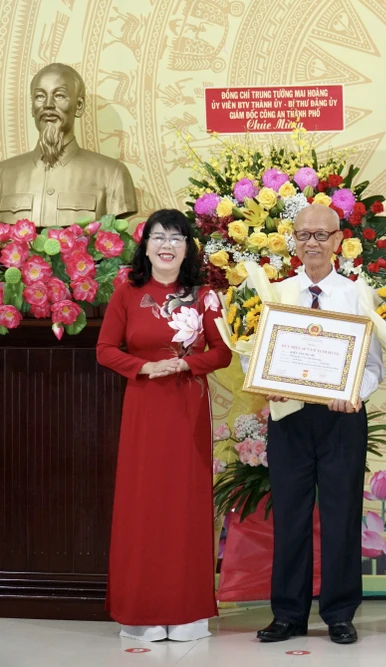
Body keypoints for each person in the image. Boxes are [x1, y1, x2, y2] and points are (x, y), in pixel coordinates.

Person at [96, 209, 232, 641]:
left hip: (187, 408)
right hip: (144, 407)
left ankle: (187, 611)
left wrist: (183, 364)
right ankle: (141, 612)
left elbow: (222, 352)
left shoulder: (205, 295)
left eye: (176, 237)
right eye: (158, 236)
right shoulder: (127, 292)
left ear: (188, 247)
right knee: (143, 503)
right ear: (146, 245)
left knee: (185, 505)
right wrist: (145, 368)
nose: (167, 245)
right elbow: (105, 350)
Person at [255, 204, 385, 645]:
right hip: (288, 416)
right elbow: (254, 349)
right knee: (290, 515)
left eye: (321, 235)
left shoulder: (358, 294)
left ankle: (340, 612)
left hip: (341, 418)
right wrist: (266, 380)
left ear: (338, 241)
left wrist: (355, 392)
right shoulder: (275, 292)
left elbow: (374, 364)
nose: (312, 243)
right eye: (303, 235)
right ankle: (288, 613)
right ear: (293, 240)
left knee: (341, 514)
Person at [0, 63, 137, 227]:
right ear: (32, 108)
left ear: (79, 106)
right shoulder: (4, 174)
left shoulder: (112, 175)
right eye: (40, 96)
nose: (48, 105)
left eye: (59, 96)